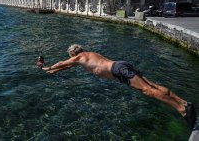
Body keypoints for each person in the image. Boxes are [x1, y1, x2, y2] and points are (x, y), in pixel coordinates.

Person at [42, 44, 198, 130]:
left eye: (71, 56)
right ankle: (185, 102)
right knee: (152, 85)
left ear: (72, 53)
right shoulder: (89, 55)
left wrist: (48, 68)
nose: (71, 59)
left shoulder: (79, 57)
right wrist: (54, 71)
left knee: (148, 91)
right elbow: (66, 67)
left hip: (117, 70)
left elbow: (63, 63)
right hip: (120, 65)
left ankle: (182, 110)